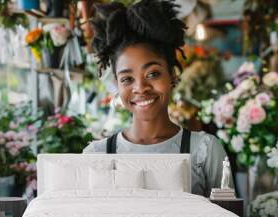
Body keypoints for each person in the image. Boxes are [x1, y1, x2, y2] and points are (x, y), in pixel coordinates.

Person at [83, 0, 233, 197]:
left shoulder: (205, 151)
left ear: (172, 75)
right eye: (127, 79)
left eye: (153, 74)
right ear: (117, 85)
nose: (140, 88)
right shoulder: (97, 155)